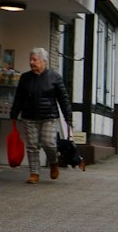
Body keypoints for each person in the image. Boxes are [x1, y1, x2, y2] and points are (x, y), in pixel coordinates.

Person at [9, 47, 71, 183]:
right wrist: (14, 113)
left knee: (48, 143)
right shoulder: (25, 78)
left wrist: (68, 116)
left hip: (49, 116)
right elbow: (19, 97)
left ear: (44, 62)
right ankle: (34, 173)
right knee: (32, 145)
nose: (31, 62)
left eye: (35, 60)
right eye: (30, 60)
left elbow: (63, 98)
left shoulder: (54, 77)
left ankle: (54, 162)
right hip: (29, 116)